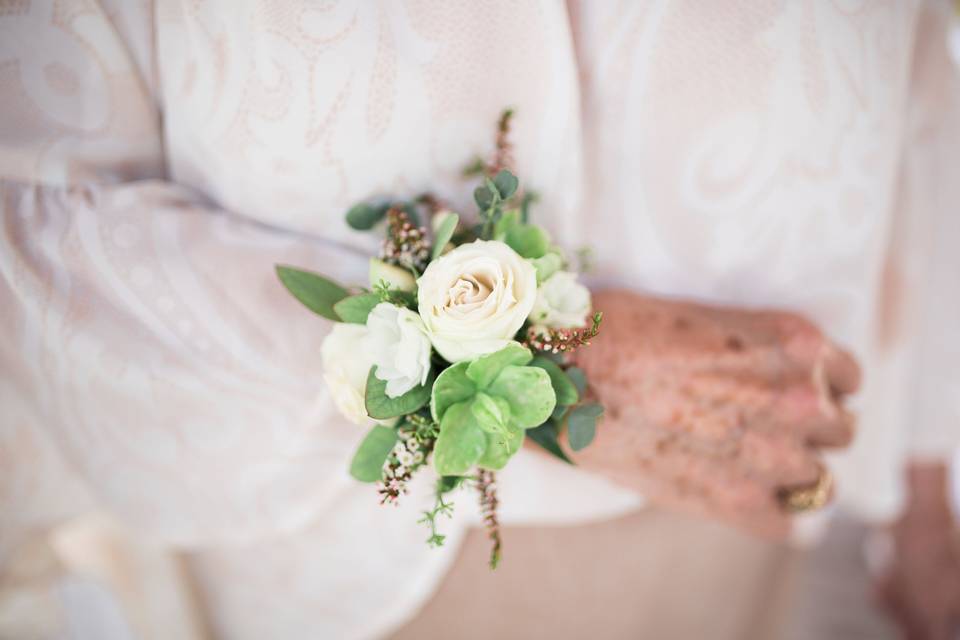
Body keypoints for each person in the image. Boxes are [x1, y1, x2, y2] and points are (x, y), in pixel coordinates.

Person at [0, 2, 957, 638]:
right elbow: (36, 212)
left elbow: (915, 81)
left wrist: (925, 479)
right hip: (355, 570)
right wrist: (568, 367)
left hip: (748, 502)